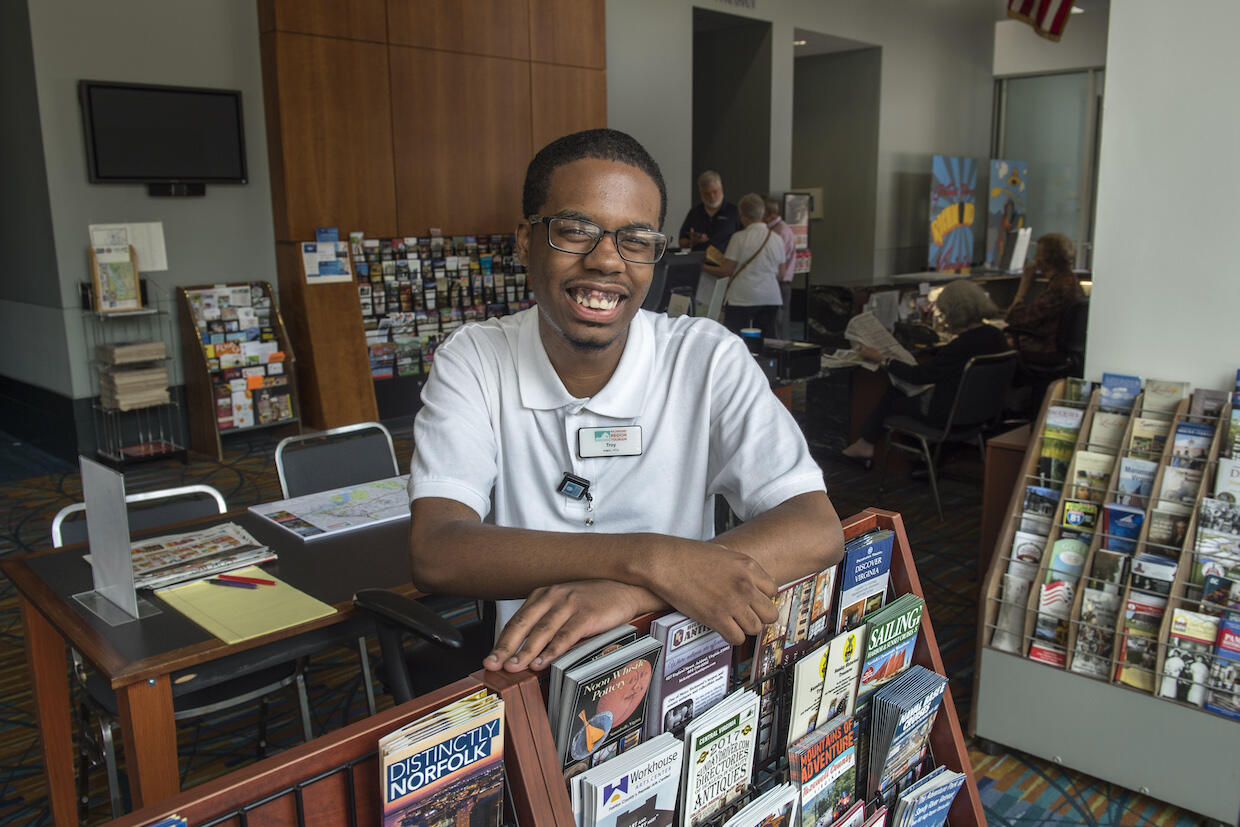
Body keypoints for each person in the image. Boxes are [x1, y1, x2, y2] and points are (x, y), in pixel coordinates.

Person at [407, 128, 844, 674]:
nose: (607, 261)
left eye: (636, 240)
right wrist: (651, 559)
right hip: (530, 678)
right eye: (574, 231)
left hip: (684, 675)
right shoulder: (473, 359)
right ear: (525, 240)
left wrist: (635, 593)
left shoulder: (704, 357)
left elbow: (816, 527)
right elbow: (437, 549)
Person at [841, 279, 1008, 463]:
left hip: (947, 415)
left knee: (896, 393)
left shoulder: (961, 346)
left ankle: (871, 445)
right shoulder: (996, 336)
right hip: (981, 413)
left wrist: (883, 359)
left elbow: (918, 376)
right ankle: (897, 453)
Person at [702, 193, 786, 339]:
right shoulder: (776, 239)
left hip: (741, 297)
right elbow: (782, 274)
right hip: (770, 297)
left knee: (735, 340)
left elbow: (726, 271)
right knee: (767, 342)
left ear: (743, 216)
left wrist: (702, 267)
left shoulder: (739, 238)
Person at [1004, 232, 1084, 365]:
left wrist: (1024, 284)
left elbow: (1013, 318)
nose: (1034, 258)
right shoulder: (1071, 281)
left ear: (1046, 260)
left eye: (1037, 254)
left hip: (1048, 350)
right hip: (1062, 350)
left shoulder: (1059, 288)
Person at [678, 170, 741, 252]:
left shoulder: (734, 212)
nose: (712, 196)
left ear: (721, 188)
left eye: (715, 191)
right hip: (699, 261)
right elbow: (681, 242)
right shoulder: (694, 212)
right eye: (707, 193)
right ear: (701, 192)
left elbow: (743, 241)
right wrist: (692, 241)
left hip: (725, 262)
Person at [764, 195, 798, 339]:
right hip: (777, 282)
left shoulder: (780, 232)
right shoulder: (776, 230)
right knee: (775, 323)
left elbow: (778, 263)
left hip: (779, 283)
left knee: (779, 324)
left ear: (770, 214)